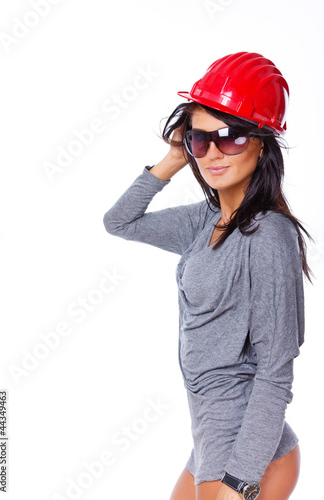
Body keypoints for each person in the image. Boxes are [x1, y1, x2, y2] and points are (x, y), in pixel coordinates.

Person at [103, 52, 312, 500]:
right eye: (201, 140)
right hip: (210, 436)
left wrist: (240, 481)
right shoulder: (207, 218)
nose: (213, 153)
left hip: (247, 451)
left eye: (231, 138)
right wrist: (174, 158)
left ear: (262, 142)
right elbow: (119, 222)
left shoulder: (268, 236)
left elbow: (275, 373)